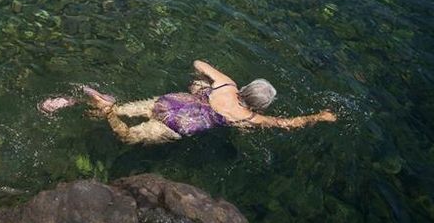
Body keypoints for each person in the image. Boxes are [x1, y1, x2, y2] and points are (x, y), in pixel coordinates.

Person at [40, 60, 337, 145]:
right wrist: (320, 116)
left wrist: (206, 85)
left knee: (121, 108)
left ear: (247, 87)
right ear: (260, 105)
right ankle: (107, 111)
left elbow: (198, 62)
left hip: (172, 102)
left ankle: (79, 102)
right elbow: (287, 124)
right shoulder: (248, 119)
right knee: (127, 136)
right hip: (181, 124)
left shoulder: (228, 84)